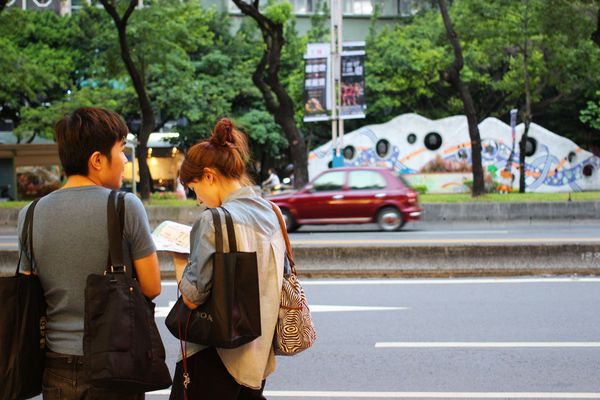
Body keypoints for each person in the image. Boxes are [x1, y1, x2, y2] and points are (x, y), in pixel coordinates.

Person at [17, 107, 161, 400]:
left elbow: (28, 292)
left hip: (56, 367)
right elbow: (152, 287)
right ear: (97, 160)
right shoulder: (125, 207)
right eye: (121, 151)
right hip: (115, 365)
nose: (124, 160)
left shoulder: (29, 215)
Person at [170, 118, 286, 399]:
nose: (199, 200)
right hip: (258, 356)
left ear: (209, 176)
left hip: (215, 351)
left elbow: (192, 296)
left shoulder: (214, 221)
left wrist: (178, 260)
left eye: (195, 190)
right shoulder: (274, 213)